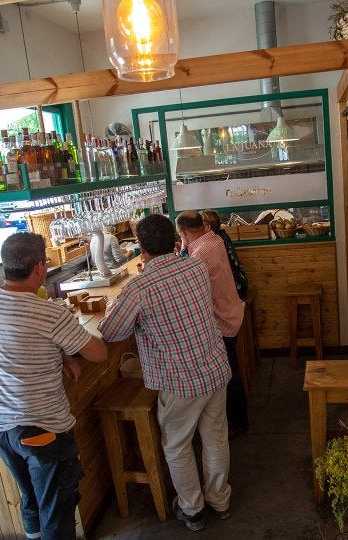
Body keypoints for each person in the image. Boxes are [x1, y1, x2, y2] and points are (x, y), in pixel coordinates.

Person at [98, 214, 232, 532]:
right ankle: (220, 500)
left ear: (141, 248)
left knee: (177, 445)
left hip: (180, 380)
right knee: (215, 438)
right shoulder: (195, 266)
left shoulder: (139, 288)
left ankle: (193, 509)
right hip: (214, 368)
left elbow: (111, 332)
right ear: (175, 240)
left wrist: (111, 307)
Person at [0, 232, 109, 540]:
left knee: (31, 501)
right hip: (41, 430)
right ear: (39, 267)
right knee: (57, 511)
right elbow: (99, 354)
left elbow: (17, 338)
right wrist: (66, 350)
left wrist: (60, 353)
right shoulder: (50, 313)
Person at [176, 210, 249, 438]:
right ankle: (237, 420)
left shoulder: (200, 254)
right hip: (233, 311)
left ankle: (238, 423)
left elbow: (187, 288)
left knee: (229, 375)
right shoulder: (213, 239)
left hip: (222, 321)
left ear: (182, 231)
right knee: (231, 371)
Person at [201, 209, 248, 300]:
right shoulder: (222, 235)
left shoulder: (214, 241)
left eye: (200, 224)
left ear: (208, 227)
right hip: (241, 281)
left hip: (235, 288)